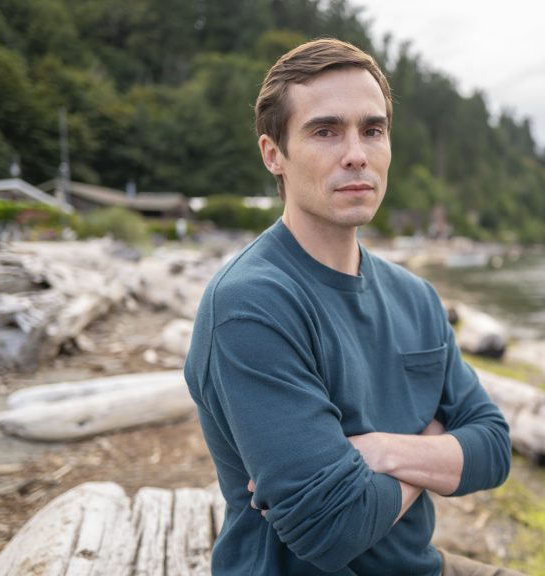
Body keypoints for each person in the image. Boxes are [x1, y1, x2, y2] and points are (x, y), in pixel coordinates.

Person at [184, 38, 518, 575]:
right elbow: (334, 528)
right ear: (274, 154)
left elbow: (495, 448)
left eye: (373, 129)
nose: (357, 152)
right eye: (325, 130)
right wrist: (430, 447)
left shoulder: (416, 297)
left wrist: (383, 451)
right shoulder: (250, 305)